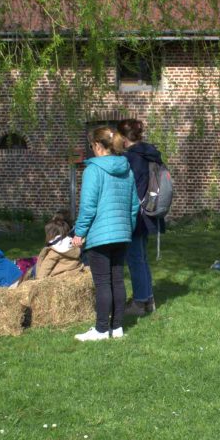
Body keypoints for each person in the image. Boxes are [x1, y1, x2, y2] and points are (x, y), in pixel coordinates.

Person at [71, 125, 138, 342]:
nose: (92, 150)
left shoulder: (93, 170)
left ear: (98, 146)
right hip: (122, 233)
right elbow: (134, 205)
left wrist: (79, 232)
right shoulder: (127, 169)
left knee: (102, 283)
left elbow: (88, 206)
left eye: (92, 146)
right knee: (117, 281)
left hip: (100, 235)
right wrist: (128, 227)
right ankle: (117, 328)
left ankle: (101, 330)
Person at [117, 119, 163, 316]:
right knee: (141, 258)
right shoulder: (149, 153)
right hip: (149, 213)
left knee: (135, 259)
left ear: (123, 137)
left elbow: (131, 190)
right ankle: (148, 299)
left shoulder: (132, 158)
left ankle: (139, 303)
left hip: (136, 215)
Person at [29, 213, 83, 282]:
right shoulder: (73, 244)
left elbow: (45, 268)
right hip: (74, 273)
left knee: (34, 270)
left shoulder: (55, 251)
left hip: (59, 279)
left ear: (50, 234)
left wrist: (37, 281)